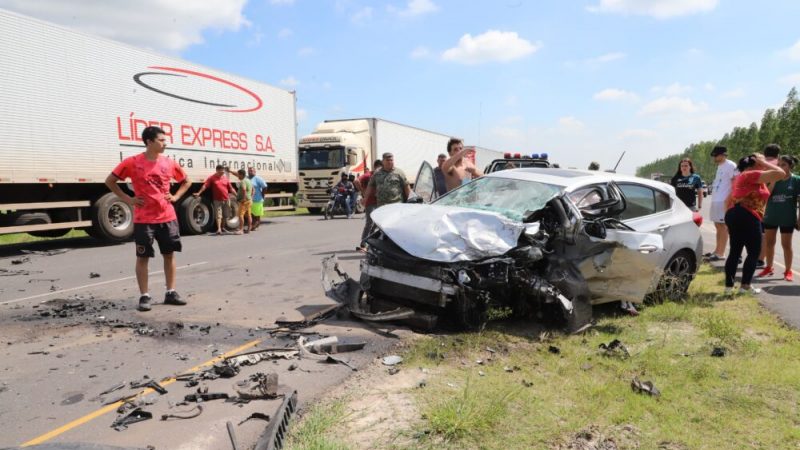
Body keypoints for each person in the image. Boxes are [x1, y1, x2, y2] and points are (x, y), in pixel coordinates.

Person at [104, 126, 191, 312]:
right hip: (144, 219)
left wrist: (175, 197)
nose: (165, 143)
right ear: (149, 142)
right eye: (161, 140)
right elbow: (109, 181)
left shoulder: (169, 162)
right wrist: (128, 199)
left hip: (167, 217)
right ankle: (145, 296)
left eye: (165, 140)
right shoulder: (132, 162)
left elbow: (187, 181)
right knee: (143, 257)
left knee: (169, 254)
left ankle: (171, 292)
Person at [723, 154, 787, 294]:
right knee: (754, 252)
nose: (765, 162)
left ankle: (729, 287)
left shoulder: (747, 177)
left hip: (736, 214)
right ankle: (745, 286)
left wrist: (728, 221)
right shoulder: (752, 173)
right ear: (756, 162)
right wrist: (764, 163)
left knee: (735, 251)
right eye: (762, 159)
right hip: (748, 215)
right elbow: (781, 173)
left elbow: (728, 200)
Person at [757, 155, 800, 281]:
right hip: (771, 216)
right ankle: (769, 267)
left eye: (783, 165)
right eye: (779, 165)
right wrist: (775, 180)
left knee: (786, 245)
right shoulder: (771, 178)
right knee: (770, 243)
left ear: (790, 166)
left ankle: (788, 270)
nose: (780, 167)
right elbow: (766, 195)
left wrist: (799, 218)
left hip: (787, 217)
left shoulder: (796, 180)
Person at [706, 146, 737, 262]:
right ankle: (717, 250)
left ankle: (721, 253)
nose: (714, 157)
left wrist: (729, 199)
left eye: (716, 155)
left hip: (724, 200)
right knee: (717, 226)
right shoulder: (720, 166)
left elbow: (735, 182)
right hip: (716, 199)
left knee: (723, 226)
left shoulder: (731, 165)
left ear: (723, 155)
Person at [194, 165, 236, 235]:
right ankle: (219, 229)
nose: (223, 173)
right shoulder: (212, 178)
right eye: (221, 172)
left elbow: (231, 188)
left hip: (226, 199)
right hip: (217, 200)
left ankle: (223, 228)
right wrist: (199, 193)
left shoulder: (225, 178)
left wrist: (237, 195)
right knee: (218, 215)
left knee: (226, 215)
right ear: (217, 170)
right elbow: (205, 185)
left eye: (223, 172)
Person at [356, 160, 382, 252]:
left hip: (379, 202)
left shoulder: (380, 176)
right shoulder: (368, 175)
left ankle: (369, 241)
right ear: (375, 167)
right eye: (379, 168)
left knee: (377, 224)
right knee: (369, 223)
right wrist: (363, 192)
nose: (380, 170)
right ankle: (363, 243)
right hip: (370, 202)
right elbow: (356, 181)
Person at [233, 168, 253, 234]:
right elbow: (253, 189)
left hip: (244, 201)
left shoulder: (243, 181)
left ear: (241, 175)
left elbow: (244, 190)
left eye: (238, 175)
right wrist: (251, 196)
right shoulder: (248, 180)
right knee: (249, 215)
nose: (238, 176)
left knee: (240, 215)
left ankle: (241, 230)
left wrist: (243, 199)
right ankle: (249, 229)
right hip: (249, 200)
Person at [248, 167, 268, 231]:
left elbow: (264, 187)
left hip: (257, 199)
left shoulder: (258, 178)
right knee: (252, 214)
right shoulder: (247, 178)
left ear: (255, 171)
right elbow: (238, 174)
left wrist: (262, 195)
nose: (251, 171)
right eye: (249, 170)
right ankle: (254, 225)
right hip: (250, 200)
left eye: (252, 170)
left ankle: (255, 226)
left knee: (257, 215)